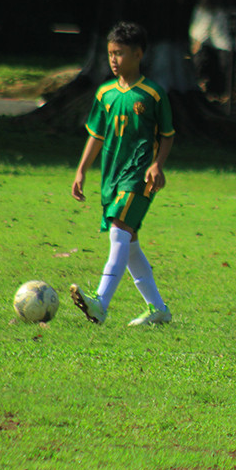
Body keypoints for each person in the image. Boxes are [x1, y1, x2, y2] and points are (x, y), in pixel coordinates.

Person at [70, 22, 175, 326]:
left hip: (140, 175)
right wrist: (81, 171)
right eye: (110, 53)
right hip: (111, 176)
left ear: (138, 54)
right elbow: (96, 135)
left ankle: (100, 303)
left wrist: (158, 164)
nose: (113, 59)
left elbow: (167, 134)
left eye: (120, 53)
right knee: (129, 243)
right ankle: (158, 309)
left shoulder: (153, 94)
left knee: (119, 231)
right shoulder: (104, 93)